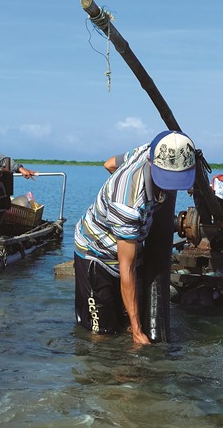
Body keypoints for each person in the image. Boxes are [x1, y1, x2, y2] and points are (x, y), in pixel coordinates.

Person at [73, 130, 197, 345]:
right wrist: (138, 331)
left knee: (130, 321)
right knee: (103, 332)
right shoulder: (127, 203)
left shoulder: (149, 149)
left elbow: (109, 163)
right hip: (97, 252)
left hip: (132, 241)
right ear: (150, 161)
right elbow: (126, 268)